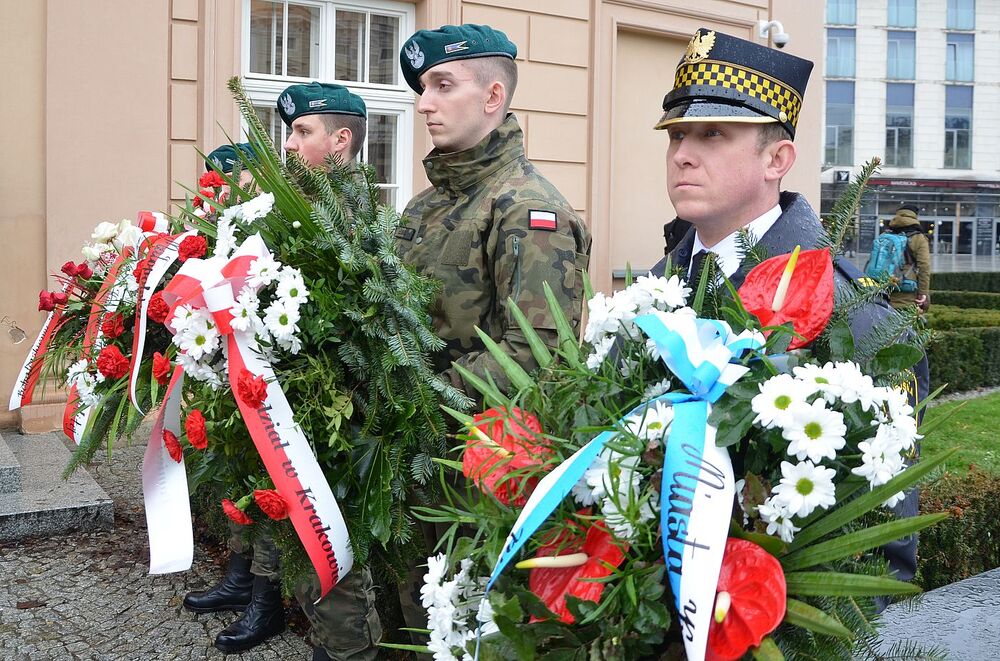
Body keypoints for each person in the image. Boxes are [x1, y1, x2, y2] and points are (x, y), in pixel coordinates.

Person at [647, 28, 927, 603]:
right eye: (676, 134)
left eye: (712, 134)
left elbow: (880, 550)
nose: (682, 154)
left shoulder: (851, 314)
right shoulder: (652, 292)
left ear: (778, 159)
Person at [393, 22, 591, 630]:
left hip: (475, 472)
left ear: (492, 97)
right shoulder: (425, 207)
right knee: (408, 608)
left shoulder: (529, 211)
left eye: (442, 85)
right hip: (414, 456)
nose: (424, 103)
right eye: (423, 88)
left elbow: (536, 358)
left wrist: (413, 396)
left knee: (460, 620)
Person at [885, 203, 931, 312]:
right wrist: (923, 292)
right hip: (906, 287)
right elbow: (924, 266)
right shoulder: (919, 238)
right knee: (904, 324)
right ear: (914, 217)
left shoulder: (885, 236)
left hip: (884, 286)